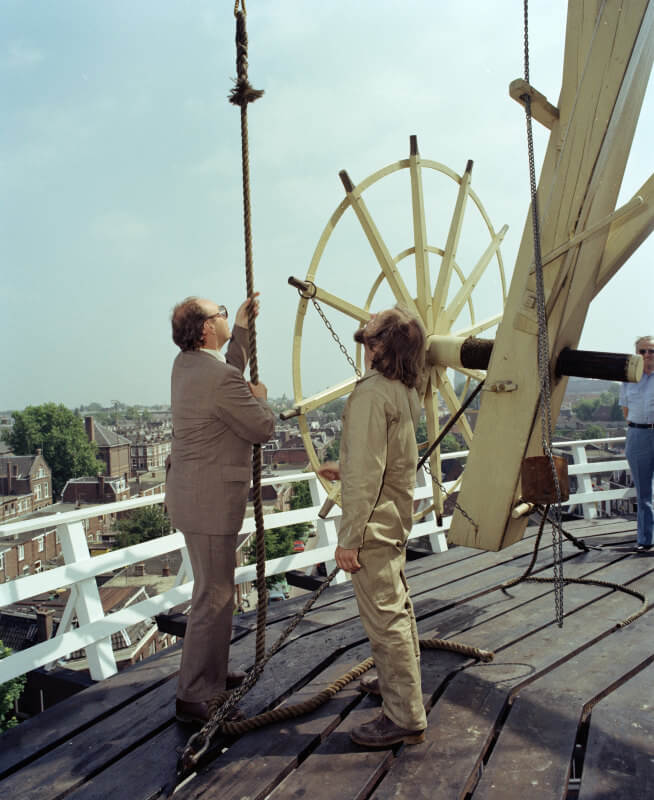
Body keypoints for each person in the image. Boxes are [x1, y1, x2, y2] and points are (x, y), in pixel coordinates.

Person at [318, 307, 428, 748]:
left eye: (370, 340)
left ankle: (403, 717)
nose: (364, 347)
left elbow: (368, 473)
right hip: (394, 516)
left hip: (372, 527)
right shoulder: (405, 391)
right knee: (396, 606)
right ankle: (395, 684)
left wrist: (349, 539)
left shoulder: (370, 394)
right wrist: (346, 468)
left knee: (384, 618)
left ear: (382, 347)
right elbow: (389, 458)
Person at [166, 293, 276, 724]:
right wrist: (260, 396)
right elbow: (261, 426)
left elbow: (225, 372)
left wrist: (244, 328)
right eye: (222, 314)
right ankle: (193, 694)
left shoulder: (187, 366)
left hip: (192, 496)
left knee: (212, 590)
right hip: (211, 502)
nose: (226, 316)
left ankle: (210, 674)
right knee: (214, 596)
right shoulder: (219, 380)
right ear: (207, 328)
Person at [620, 335, 654, 552]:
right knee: (643, 493)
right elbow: (625, 411)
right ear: (637, 354)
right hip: (638, 435)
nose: (647, 355)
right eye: (642, 351)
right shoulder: (627, 380)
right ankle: (645, 540)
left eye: (651, 351)